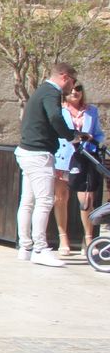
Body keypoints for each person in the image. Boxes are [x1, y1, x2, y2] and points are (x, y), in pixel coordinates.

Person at [15, 62, 77, 268]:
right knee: (44, 201)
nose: (73, 86)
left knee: (28, 201)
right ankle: (40, 248)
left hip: (26, 151)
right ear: (65, 76)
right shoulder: (51, 92)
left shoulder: (41, 91)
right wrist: (70, 136)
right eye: (73, 81)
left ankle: (25, 247)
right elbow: (55, 117)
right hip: (39, 153)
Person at [54, 83, 102, 253]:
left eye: (79, 88)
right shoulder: (59, 110)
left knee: (86, 200)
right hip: (63, 158)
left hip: (84, 158)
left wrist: (92, 142)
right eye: (71, 89)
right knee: (60, 198)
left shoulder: (91, 111)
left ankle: (88, 238)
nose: (75, 92)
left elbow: (99, 133)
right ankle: (63, 238)